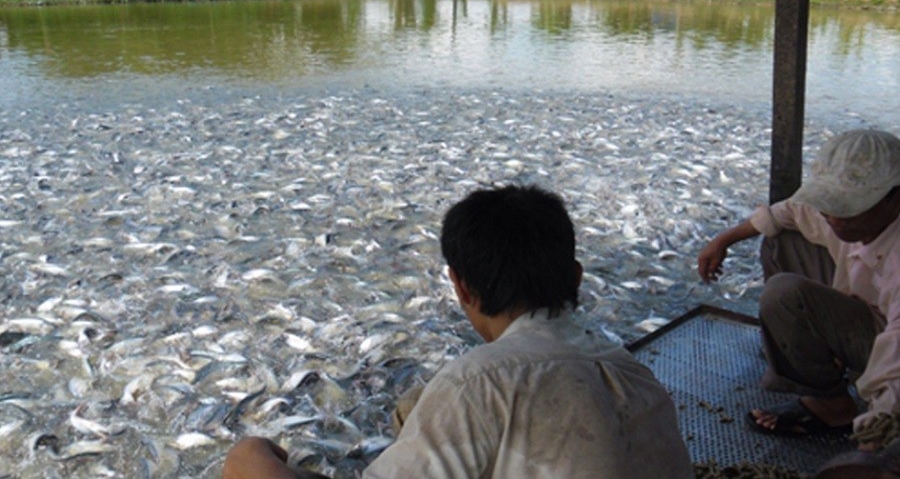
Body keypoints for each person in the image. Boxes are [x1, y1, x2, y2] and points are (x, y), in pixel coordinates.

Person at [224, 185, 693, 479]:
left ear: (461, 287)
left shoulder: (478, 383)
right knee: (414, 413)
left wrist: (252, 459)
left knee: (246, 466)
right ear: (575, 278)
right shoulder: (636, 377)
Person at [697, 129, 900, 444]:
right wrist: (723, 240)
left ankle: (833, 408)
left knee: (783, 294)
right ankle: (822, 373)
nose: (835, 218)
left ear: (895, 196)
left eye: (851, 207)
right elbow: (787, 212)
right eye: (829, 206)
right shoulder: (838, 218)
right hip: (866, 309)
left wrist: (879, 428)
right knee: (780, 241)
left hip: (888, 335)